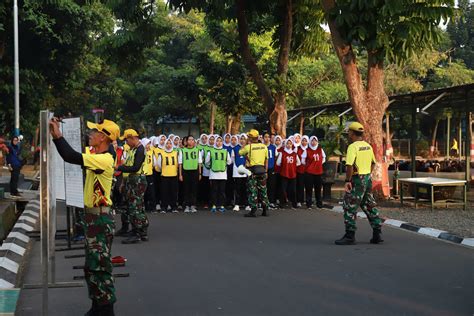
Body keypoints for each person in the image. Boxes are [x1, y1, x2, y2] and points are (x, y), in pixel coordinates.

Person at [50, 117, 120, 316]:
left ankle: (106, 309)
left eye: (94, 132)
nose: (90, 135)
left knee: (100, 266)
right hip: (93, 219)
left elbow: (70, 156)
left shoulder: (104, 159)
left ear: (103, 138)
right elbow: (77, 153)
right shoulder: (98, 154)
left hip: (99, 219)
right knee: (91, 267)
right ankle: (97, 306)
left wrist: (58, 135)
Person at [335, 122, 384, 245]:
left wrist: (347, 181)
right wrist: (367, 175)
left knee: (349, 206)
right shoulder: (367, 146)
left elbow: (349, 166)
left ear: (351, 133)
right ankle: (377, 233)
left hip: (356, 179)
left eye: (349, 132)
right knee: (369, 205)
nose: (348, 134)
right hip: (367, 178)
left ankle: (350, 235)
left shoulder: (352, 147)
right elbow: (373, 163)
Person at [117, 129, 149, 244]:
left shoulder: (140, 149)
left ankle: (139, 233)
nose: (126, 142)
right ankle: (137, 229)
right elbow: (128, 165)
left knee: (136, 206)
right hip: (131, 180)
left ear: (132, 138)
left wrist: (119, 168)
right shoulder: (133, 149)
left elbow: (135, 167)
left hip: (138, 179)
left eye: (126, 139)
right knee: (133, 206)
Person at [239, 129, 270, 217]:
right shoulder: (264, 146)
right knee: (263, 190)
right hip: (263, 171)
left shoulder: (248, 147)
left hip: (253, 172)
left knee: (252, 191)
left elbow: (240, 152)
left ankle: (253, 210)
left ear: (251, 138)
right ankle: (265, 210)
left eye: (248, 136)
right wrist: (266, 171)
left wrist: (245, 143)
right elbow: (266, 160)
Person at [206, 136, 232, 213]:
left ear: (222, 142)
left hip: (223, 174)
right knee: (214, 190)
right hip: (213, 174)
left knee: (222, 191)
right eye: (217, 141)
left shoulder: (225, 151)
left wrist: (222, 165)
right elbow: (207, 162)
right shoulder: (210, 151)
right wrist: (212, 166)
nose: (219, 142)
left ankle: (221, 205)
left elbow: (229, 161)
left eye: (220, 141)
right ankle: (214, 205)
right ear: (215, 142)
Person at [179, 135, 202, 213]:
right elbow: (180, 163)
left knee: (194, 189)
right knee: (186, 189)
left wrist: (199, 173)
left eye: (192, 140)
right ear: (186, 141)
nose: (191, 141)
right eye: (189, 140)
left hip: (195, 171)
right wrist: (180, 174)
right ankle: (187, 206)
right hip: (186, 171)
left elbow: (199, 162)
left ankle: (192, 205)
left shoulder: (197, 150)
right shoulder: (182, 150)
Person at [276, 138, 300, 209]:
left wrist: (292, 166)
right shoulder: (282, 153)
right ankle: (282, 204)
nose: (289, 145)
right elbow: (278, 163)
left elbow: (299, 163)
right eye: (287, 143)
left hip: (292, 173)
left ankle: (294, 204)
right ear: (285, 144)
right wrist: (284, 166)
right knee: (283, 189)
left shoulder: (294, 154)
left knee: (293, 190)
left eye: (290, 144)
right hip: (284, 173)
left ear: (292, 144)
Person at [302, 136, 325, 209]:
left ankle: (319, 204)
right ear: (310, 141)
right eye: (312, 141)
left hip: (318, 172)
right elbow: (303, 160)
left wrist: (319, 164)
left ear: (317, 141)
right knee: (309, 189)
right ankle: (309, 204)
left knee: (318, 189)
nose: (313, 142)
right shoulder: (307, 150)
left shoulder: (320, 149)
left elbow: (324, 158)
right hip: (309, 172)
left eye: (315, 141)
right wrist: (308, 166)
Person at [157, 138, 179, 213]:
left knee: (174, 192)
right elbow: (159, 165)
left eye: (170, 143)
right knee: (164, 192)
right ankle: (164, 207)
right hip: (164, 175)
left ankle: (174, 207)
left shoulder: (176, 153)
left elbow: (178, 164)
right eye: (167, 143)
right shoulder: (162, 154)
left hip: (174, 175)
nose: (168, 145)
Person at [231, 135, 247, 212]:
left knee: (246, 188)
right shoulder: (234, 148)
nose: (242, 140)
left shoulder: (248, 148)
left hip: (246, 171)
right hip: (237, 171)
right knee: (237, 188)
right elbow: (233, 160)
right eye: (241, 139)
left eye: (244, 139)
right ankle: (237, 204)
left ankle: (246, 204)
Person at [142, 138, 156, 213]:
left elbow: (154, 163)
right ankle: (144, 206)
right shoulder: (142, 153)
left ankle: (152, 207)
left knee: (151, 192)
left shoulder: (151, 152)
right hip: (143, 174)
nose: (148, 146)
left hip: (150, 174)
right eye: (147, 144)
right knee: (144, 192)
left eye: (149, 144)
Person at [264, 133, 277, 209]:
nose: (267, 138)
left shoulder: (273, 147)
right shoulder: (261, 147)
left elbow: (276, 157)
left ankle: (271, 201)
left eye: (268, 137)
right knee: (263, 186)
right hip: (262, 168)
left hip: (271, 168)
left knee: (271, 185)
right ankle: (262, 202)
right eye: (265, 137)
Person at [296, 136, 308, 207]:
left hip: (308, 170)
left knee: (308, 186)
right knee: (300, 186)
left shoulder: (309, 149)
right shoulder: (298, 149)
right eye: (303, 140)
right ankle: (299, 200)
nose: (304, 142)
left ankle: (307, 200)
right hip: (300, 170)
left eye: (305, 141)